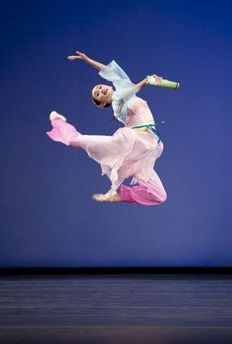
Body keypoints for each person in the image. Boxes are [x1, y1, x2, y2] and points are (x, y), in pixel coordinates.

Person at [47, 51, 167, 205]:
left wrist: (88, 60)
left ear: (108, 85)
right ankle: (57, 121)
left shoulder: (123, 85)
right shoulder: (117, 105)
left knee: (160, 196)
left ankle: (120, 195)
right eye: (97, 94)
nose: (100, 90)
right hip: (129, 141)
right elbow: (126, 94)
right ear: (103, 103)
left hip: (145, 149)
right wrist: (146, 81)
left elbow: (109, 72)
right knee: (77, 141)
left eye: (99, 87)